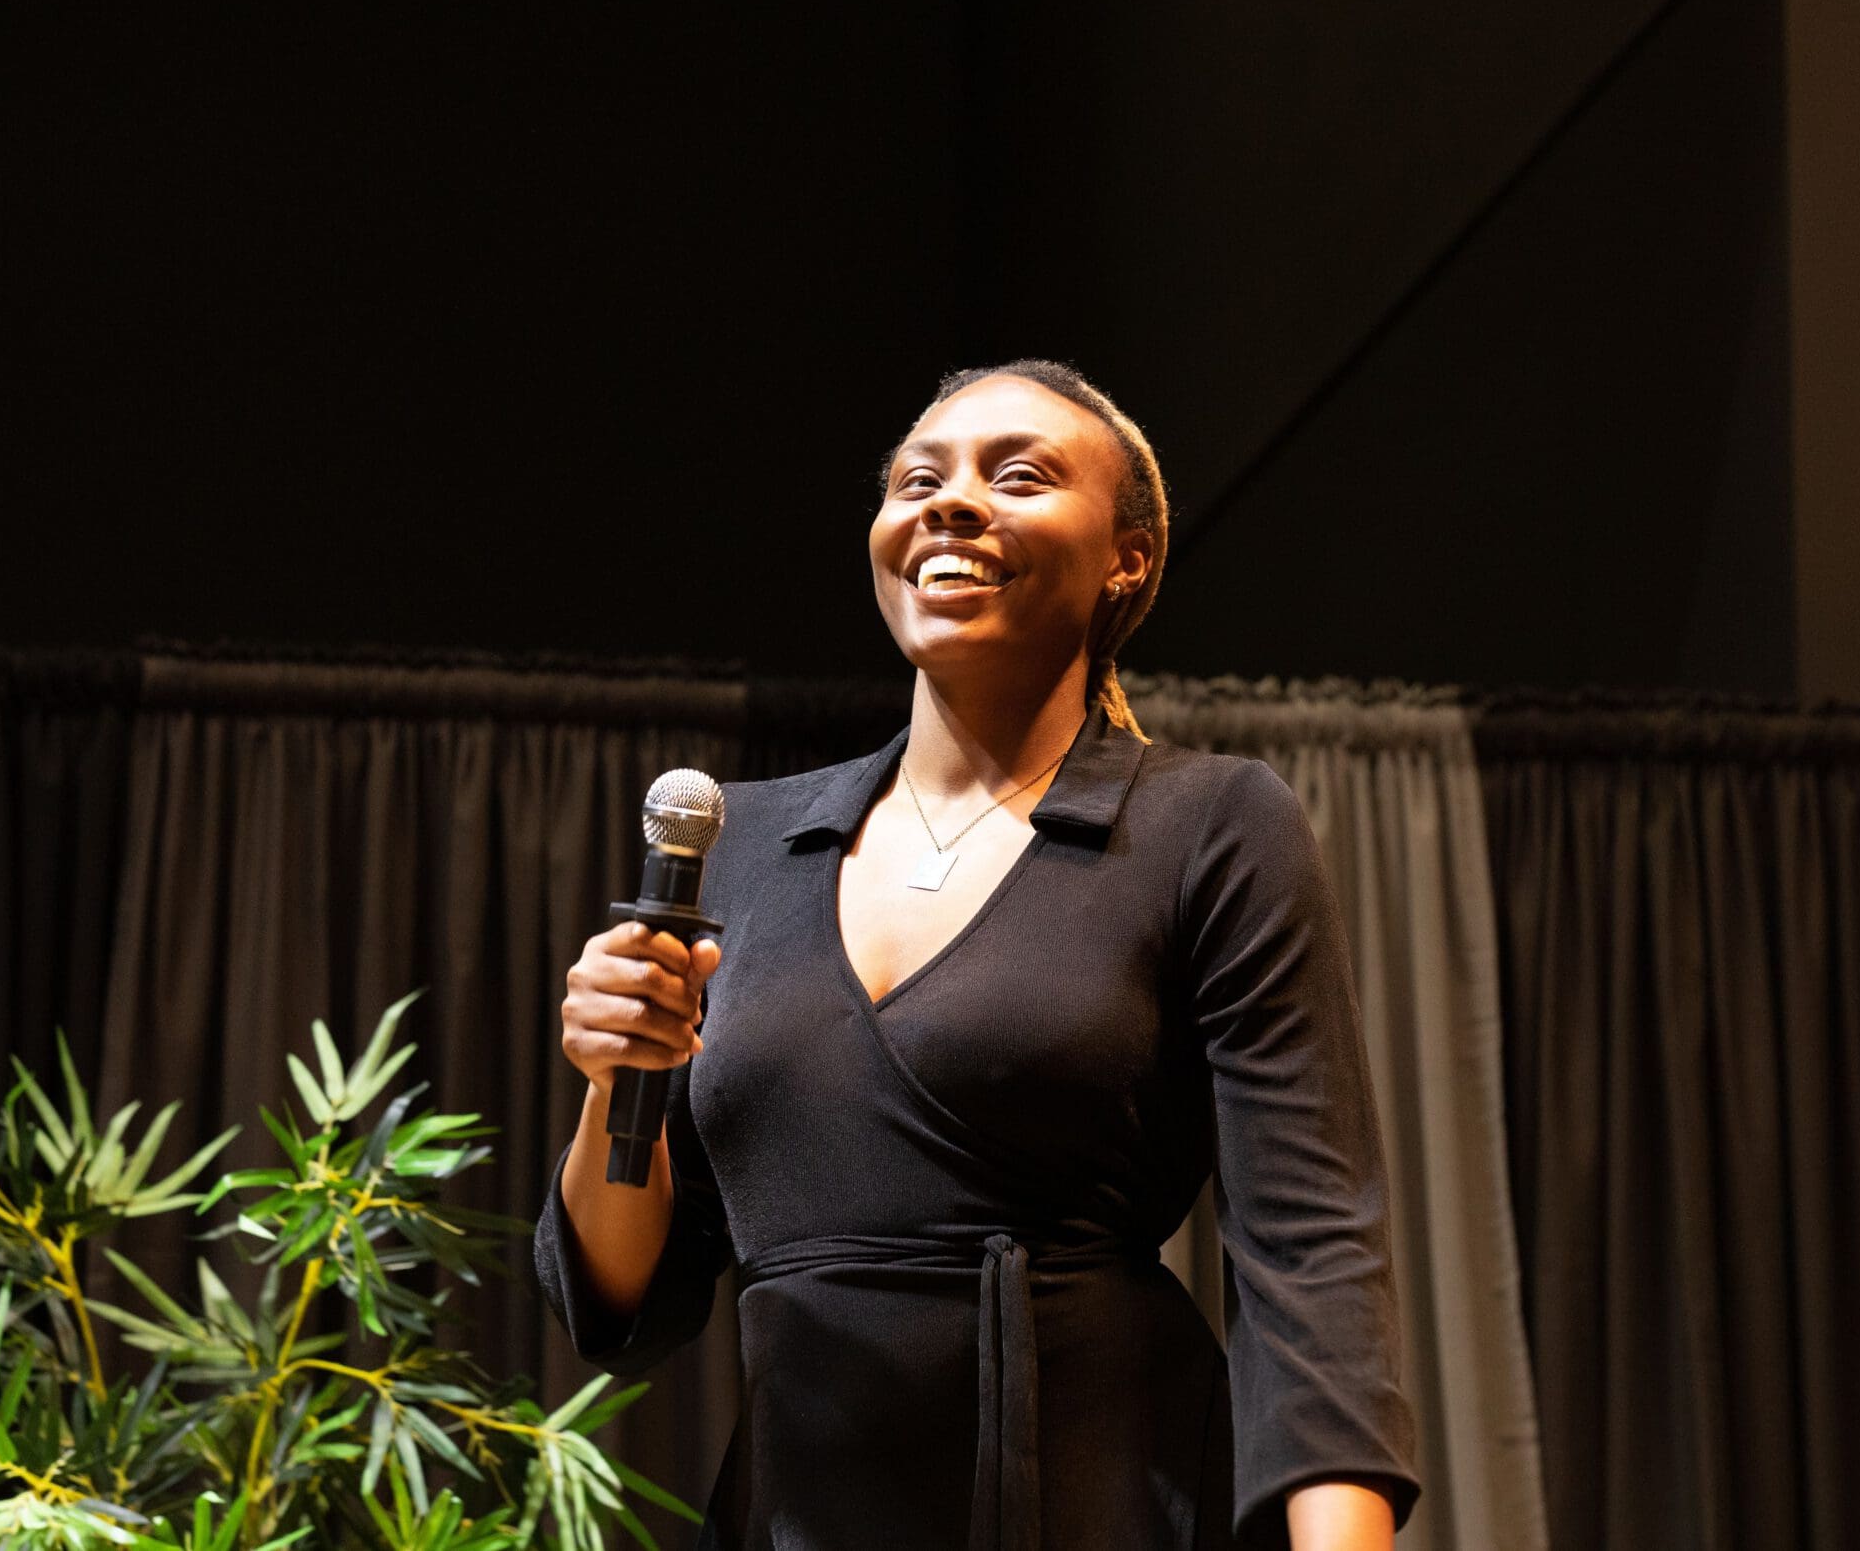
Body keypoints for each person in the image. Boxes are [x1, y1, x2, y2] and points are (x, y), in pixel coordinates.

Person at [534, 360, 1421, 1549]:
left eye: (1017, 476)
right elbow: (630, 1296)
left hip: (1093, 1494)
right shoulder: (744, 849)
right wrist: (612, 1085)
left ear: (1128, 557)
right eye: (917, 480)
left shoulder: (1205, 823)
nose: (949, 505)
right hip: (800, 1508)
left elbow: (1310, 1257)